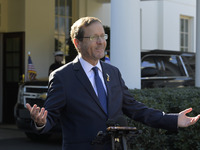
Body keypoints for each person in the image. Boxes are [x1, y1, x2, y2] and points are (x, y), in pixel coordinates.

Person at [26, 17, 200, 150]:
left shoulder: (113, 72)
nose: (101, 42)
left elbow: (134, 108)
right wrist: (41, 122)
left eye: (103, 36)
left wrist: (173, 119)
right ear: (77, 42)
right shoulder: (62, 77)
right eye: (94, 37)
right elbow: (50, 118)